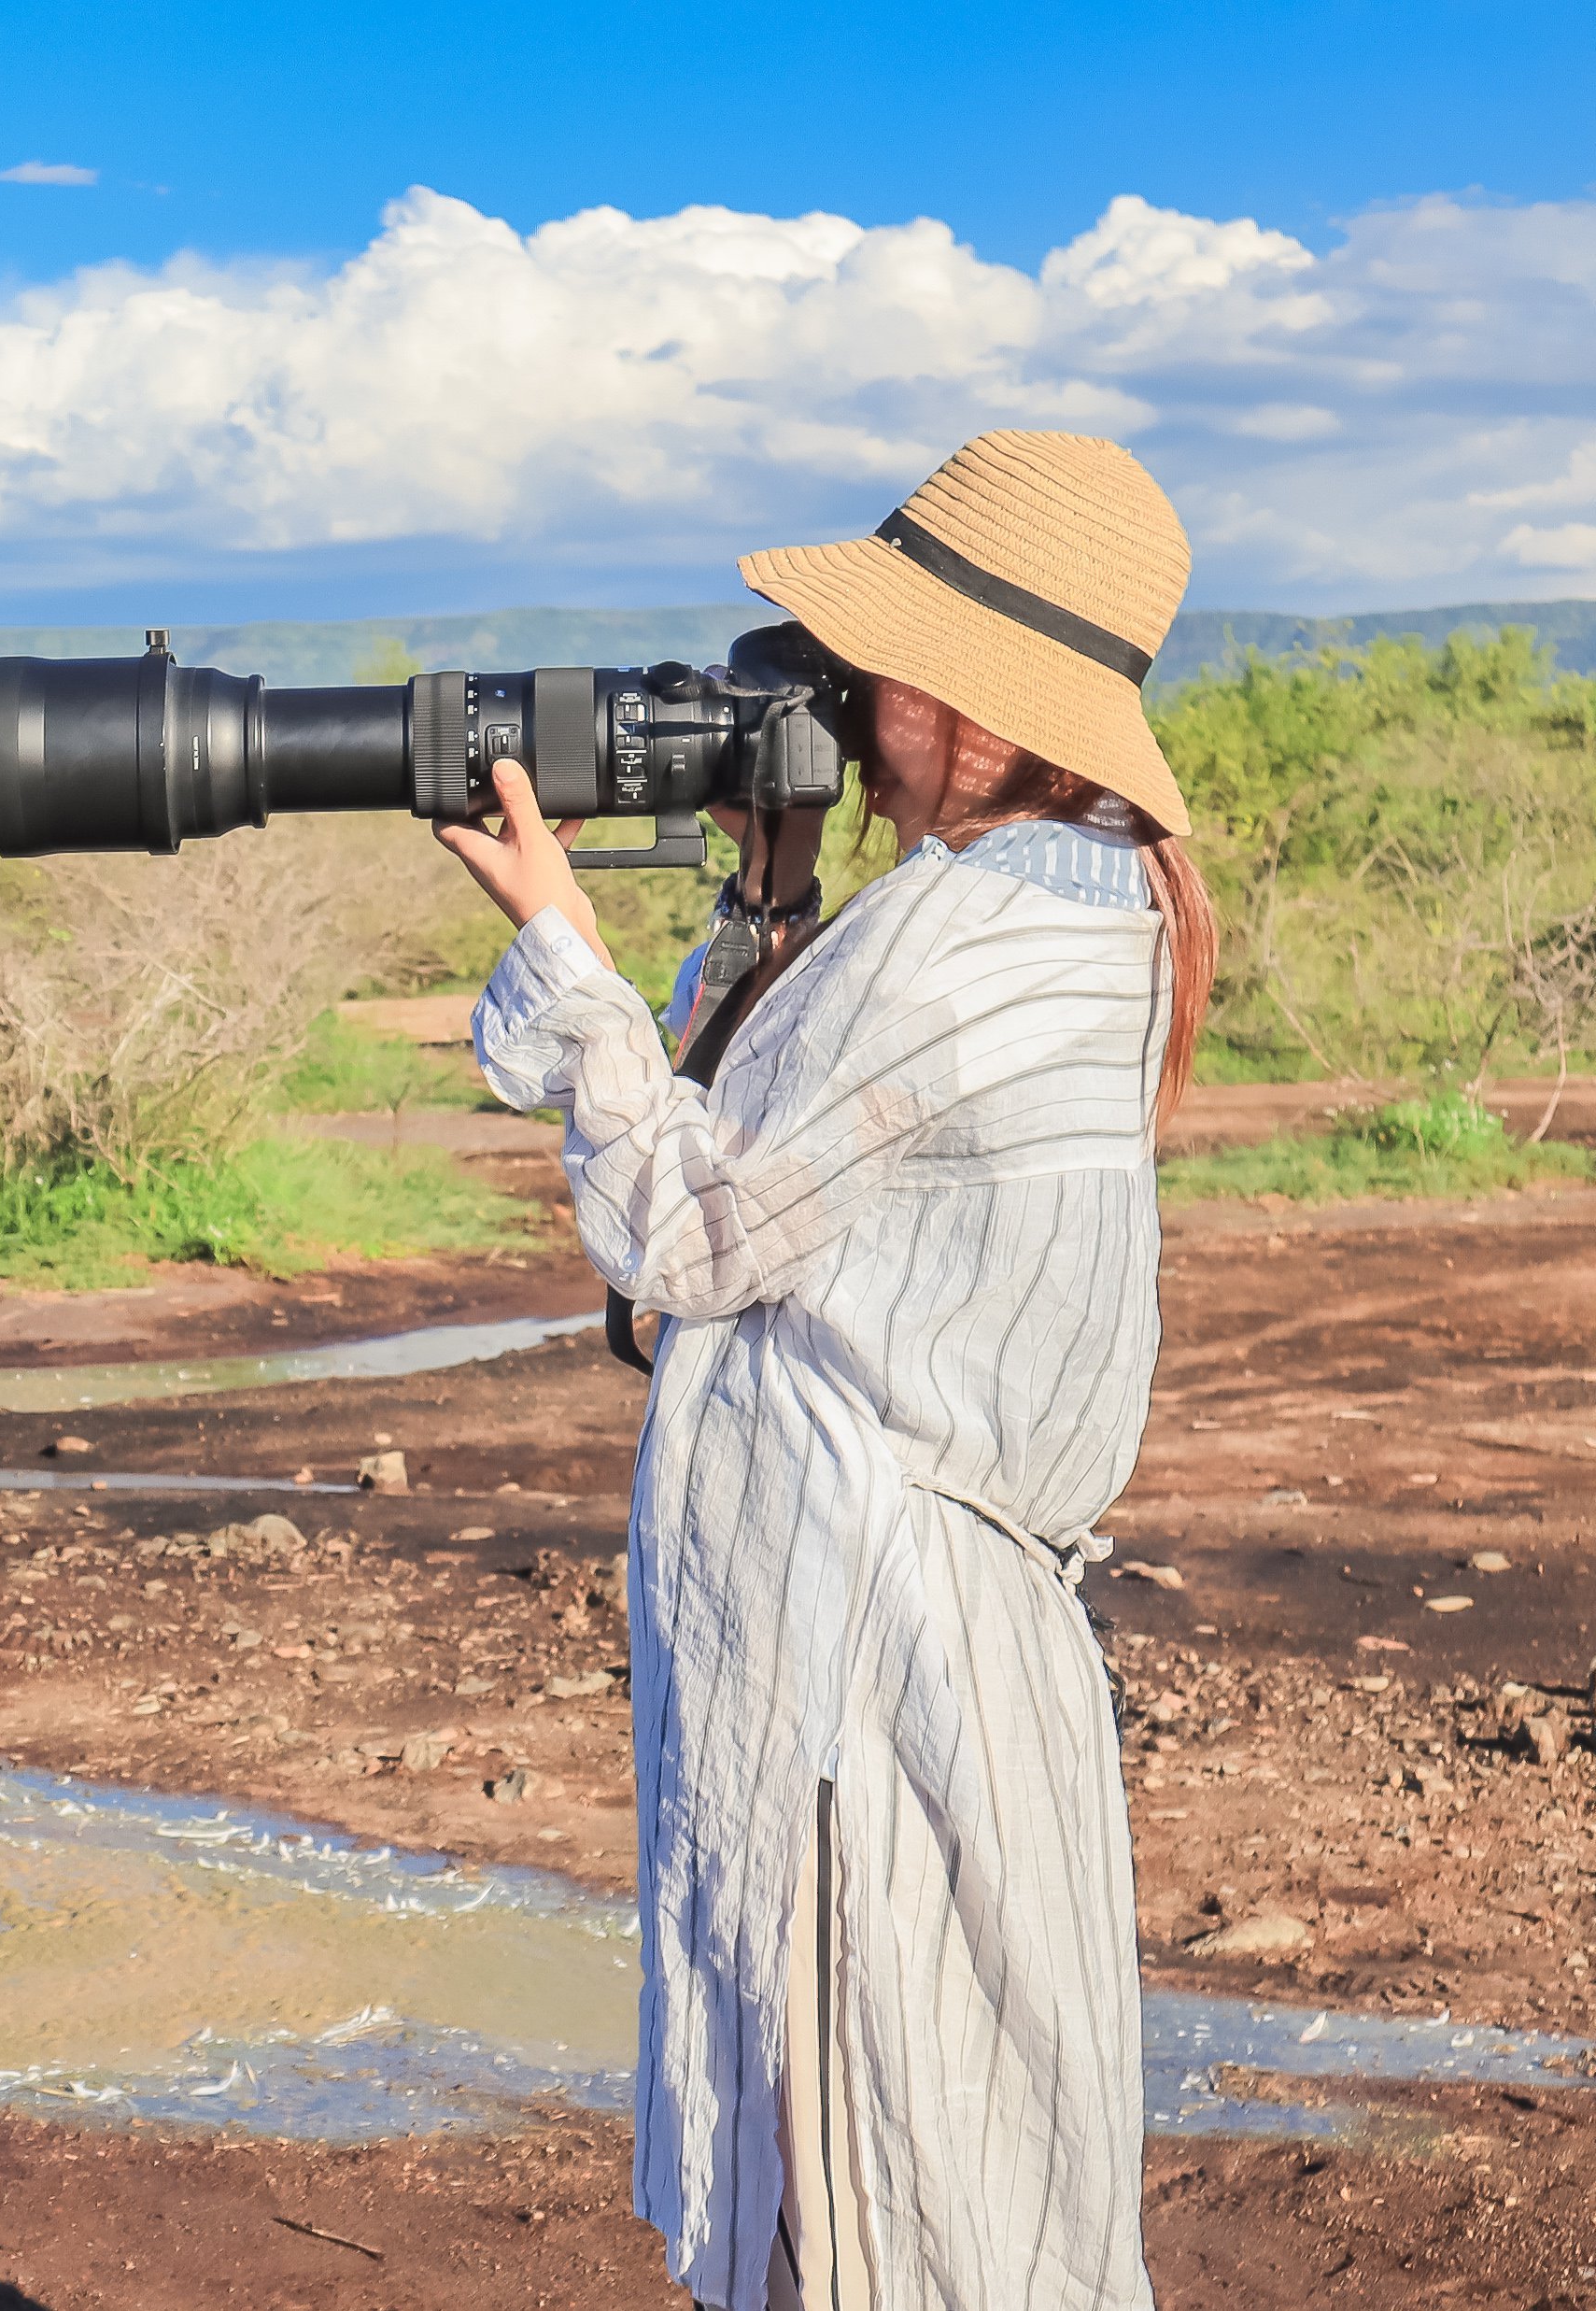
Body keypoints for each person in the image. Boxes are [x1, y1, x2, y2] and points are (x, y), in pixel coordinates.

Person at [438, 432, 1212, 2311]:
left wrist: (563, 960)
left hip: (880, 1669)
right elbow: (783, 1176)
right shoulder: (1061, 898)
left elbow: (685, 1236)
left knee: (889, 2204)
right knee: (942, 2187)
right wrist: (769, 911)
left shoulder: (962, 931)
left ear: (968, 691)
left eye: (870, 673)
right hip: (925, 1641)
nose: (844, 712)